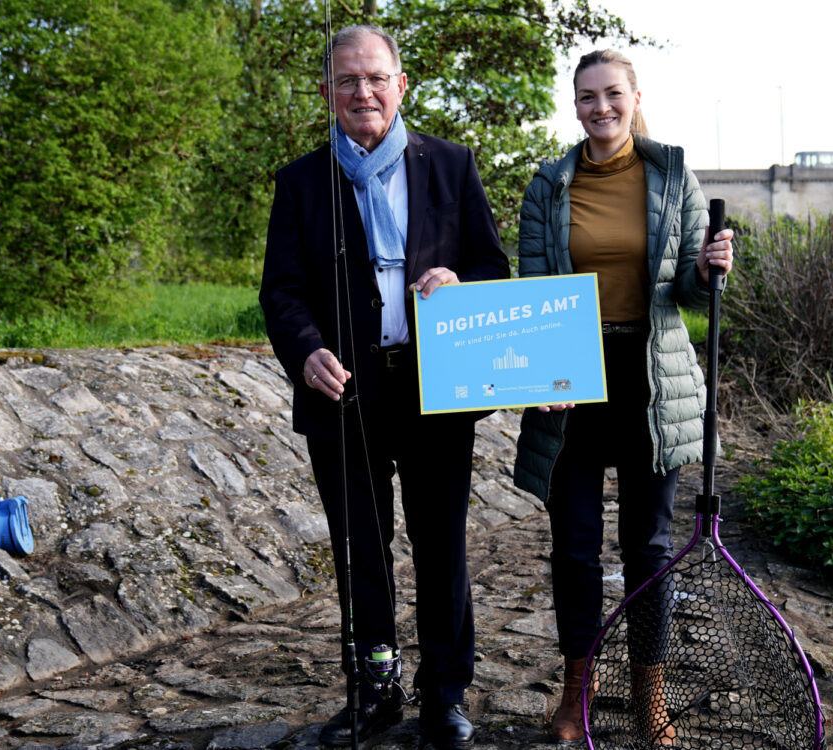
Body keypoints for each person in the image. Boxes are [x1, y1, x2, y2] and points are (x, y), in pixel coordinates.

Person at [259, 24, 508, 750]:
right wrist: (306, 351)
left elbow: (491, 270)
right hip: (345, 396)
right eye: (346, 81)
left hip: (437, 392)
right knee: (359, 550)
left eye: (375, 78)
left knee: (442, 549)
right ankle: (376, 687)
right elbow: (282, 292)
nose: (362, 92)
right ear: (328, 93)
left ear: (402, 85)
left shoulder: (452, 166)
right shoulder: (302, 181)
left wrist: (461, 282)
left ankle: (445, 694)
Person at [512, 49, 735, 745]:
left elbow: (696, 297)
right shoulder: (548, 185)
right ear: (574, 105)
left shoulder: (673, 175)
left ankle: (650, 696)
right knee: (574, 547)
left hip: (650, 374)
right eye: (586, 97)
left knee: (648, 546)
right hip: (573, 379)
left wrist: (708, 268)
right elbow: (533, 293)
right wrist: (537, 374)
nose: (599, 108)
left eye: (612, 94)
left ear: (636, 97)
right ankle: (578, 693)